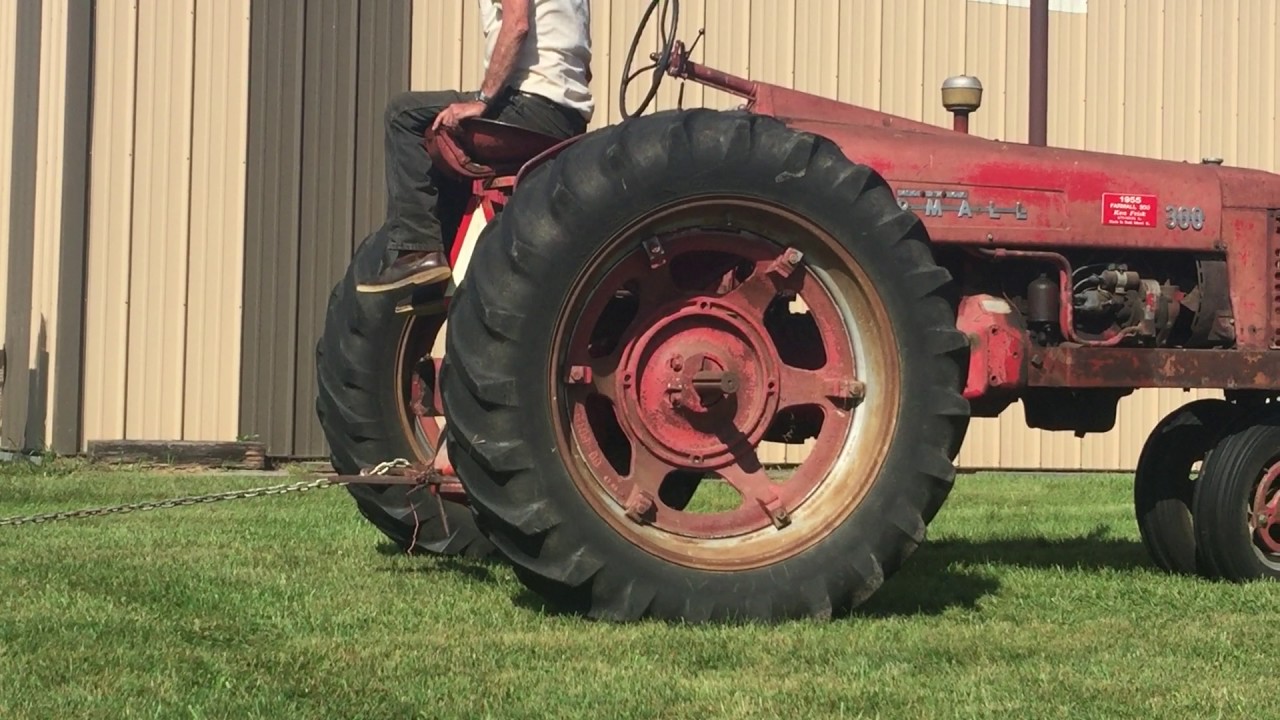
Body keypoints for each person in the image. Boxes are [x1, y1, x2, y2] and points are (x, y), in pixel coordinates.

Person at [357, 0, 594, 294]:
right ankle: (441, 265)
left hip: (530, 105)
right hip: (568, 118)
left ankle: (419, 252)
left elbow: (517, 24)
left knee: (403, 115)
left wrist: (482, 100)